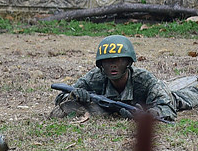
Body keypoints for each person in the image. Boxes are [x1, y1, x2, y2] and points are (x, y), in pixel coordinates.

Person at [51, 34, 198, 122]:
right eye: (108, 61)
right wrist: (74, 95)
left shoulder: (144, 80)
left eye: (119, 60)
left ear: (128, 62)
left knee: (182, 99)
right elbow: (60, 98)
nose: (113, 65)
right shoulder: (94, 78)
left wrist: (150, 114)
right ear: (101, 65)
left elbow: (167, 107)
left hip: (156, 98)